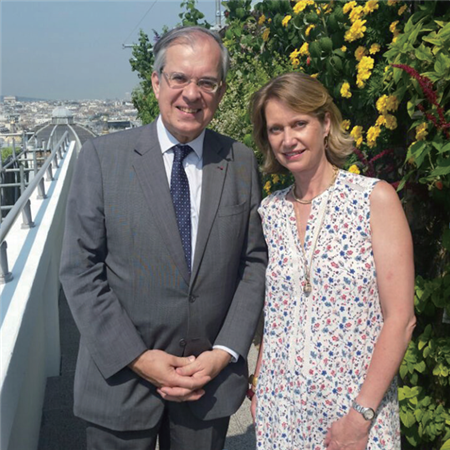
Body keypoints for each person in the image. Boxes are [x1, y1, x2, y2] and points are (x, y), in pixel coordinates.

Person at [59, 26, 266, 450]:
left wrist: (225, 352)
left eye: (206, 82)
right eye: (180, 78)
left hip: (206, 385)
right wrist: (137, 357)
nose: (192, 94)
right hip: (119, 383)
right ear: (156, 82)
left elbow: (253, 263)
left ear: (220, 91)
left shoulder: (241, 162)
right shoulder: (101, 158)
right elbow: (79, 270)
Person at [248, 72, 416, 450]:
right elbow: (274, 313)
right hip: (282, 412)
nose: (288, 139)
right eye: (276, 129)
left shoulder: (373, 199)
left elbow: (401, 319)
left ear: (325, 124)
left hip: (352, 414)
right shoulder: (269, 212)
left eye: (299, 124)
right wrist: (259, 386)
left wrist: (361, 417)